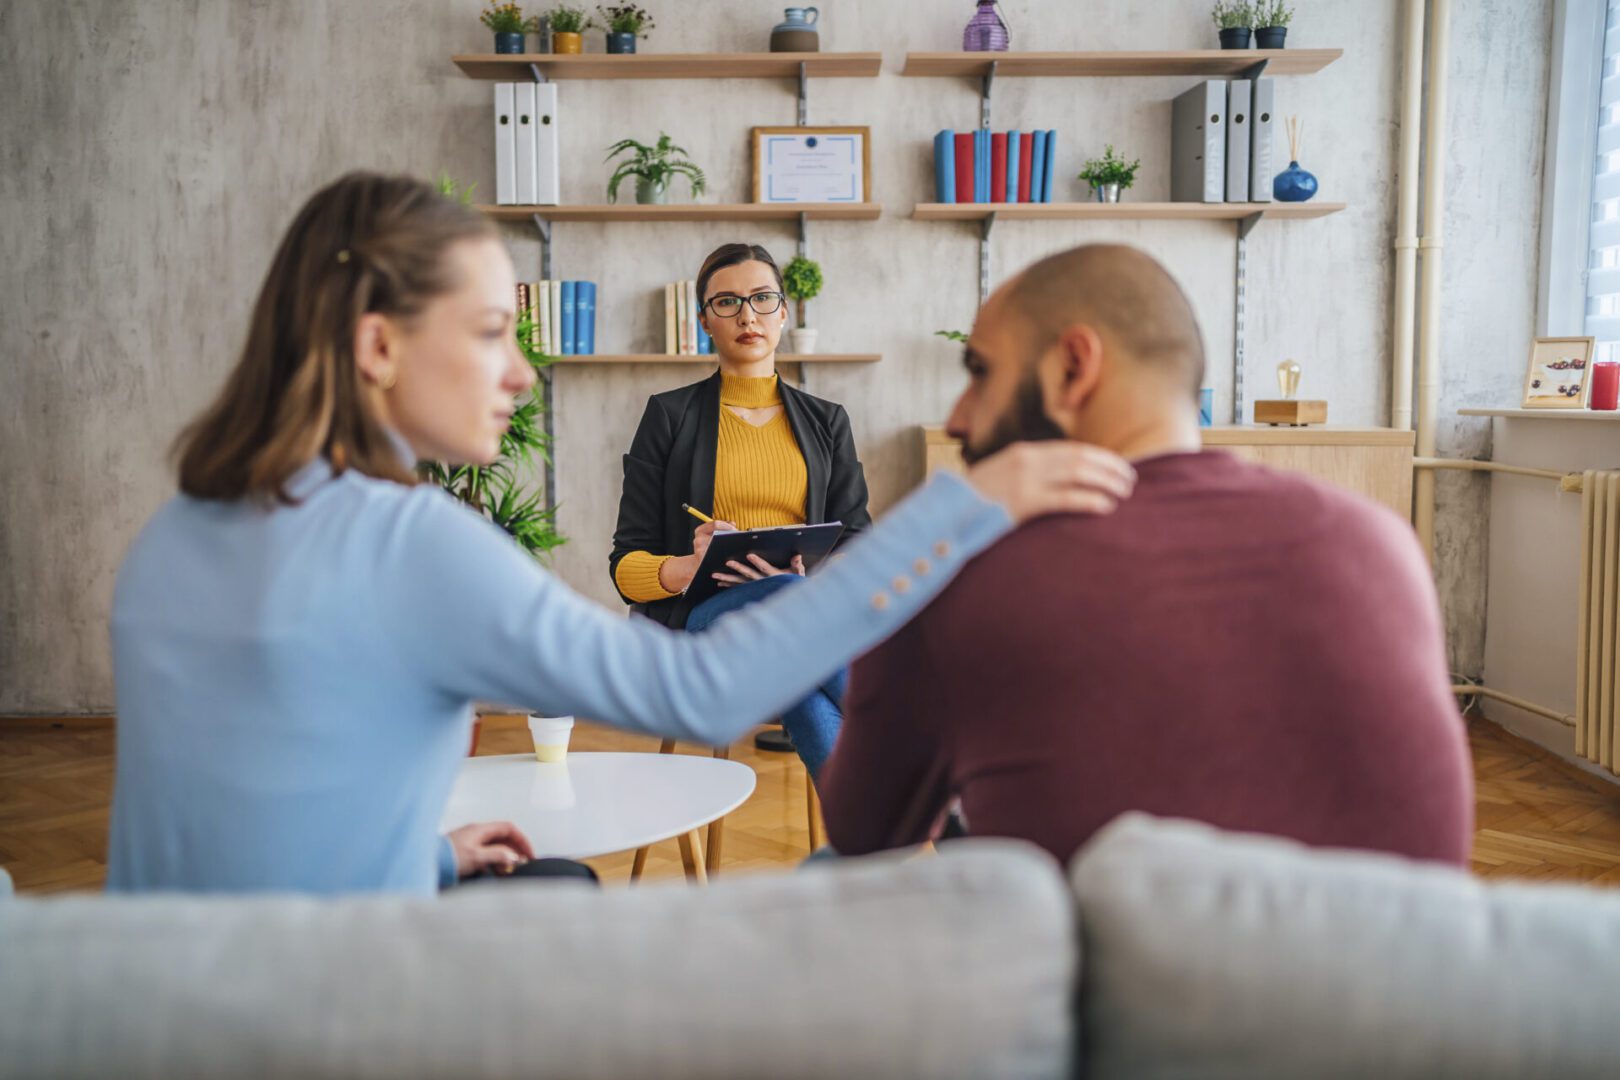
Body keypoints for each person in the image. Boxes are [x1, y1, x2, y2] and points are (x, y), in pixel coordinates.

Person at [106, 173, 1136, 896]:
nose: (518, 372)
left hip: (184, 988)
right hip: (322, 1004)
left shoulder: (175, 535)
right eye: (489, 333)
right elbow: (696, 690)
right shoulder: (409, 541)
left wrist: (424, 857)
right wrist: (971, 501)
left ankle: (877, 825)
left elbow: (236, 842)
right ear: (377, 346)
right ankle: (900, 824)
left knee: (551, 883)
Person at [819, 243, 1475, 867]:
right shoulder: (1379, 540)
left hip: (1101, 982)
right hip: (1391, 979)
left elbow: (865, 836)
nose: (959, 417)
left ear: (1073, 368)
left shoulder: (961, 575)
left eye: (980, 372)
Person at [609, 242, 867, 778]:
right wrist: (690, 567)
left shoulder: (827, 422)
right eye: (726, 303)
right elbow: (625, 567)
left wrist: (811, 573)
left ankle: (868, 839)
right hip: (702, 627)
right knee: (792, 605)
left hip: (792, 632)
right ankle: (922, 763)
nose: (747, 315)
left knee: (791, 661)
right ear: (704, 319)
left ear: (784, 312)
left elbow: (859, 543)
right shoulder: (669, 417)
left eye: (761, 298)